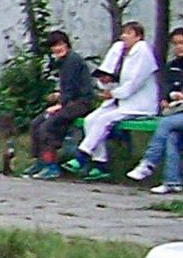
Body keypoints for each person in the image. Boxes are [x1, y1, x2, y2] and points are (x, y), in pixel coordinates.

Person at [128, 28, 183, 195]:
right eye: (175, 44)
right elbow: (167, 88)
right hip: (179, 110)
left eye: (182, 43)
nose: (179, 47)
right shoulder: (172, 66)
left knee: (165, 124)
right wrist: (168, 98)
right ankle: (172, 181)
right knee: (171, 136)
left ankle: (148, 162)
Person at [63, 21, 159, 177]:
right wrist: (106, 83)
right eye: (123, 33)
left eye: (129, 33)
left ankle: (81, 155)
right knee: (91, 120)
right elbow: (114, 78)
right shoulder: (122, 53)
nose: (123, 36)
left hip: (139, 104)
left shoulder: (143, 52)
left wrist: (113, 94)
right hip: (121, 101)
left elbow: (134, 83)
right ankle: (100, 163)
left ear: (138, 36)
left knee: (105, 120)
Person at [27, 30, 97, 179]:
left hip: (80, 103)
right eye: (54, 46)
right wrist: (58, 97)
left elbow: (72, 90)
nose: (57, 49)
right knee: (36, 123)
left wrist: (60, 104)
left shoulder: (72, 61)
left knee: (48, 125)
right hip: (70, 102)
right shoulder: (64, 62)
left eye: (60, 44)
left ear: (66, 44)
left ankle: (52, 166)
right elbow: (69, 87)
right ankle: (40, 161)